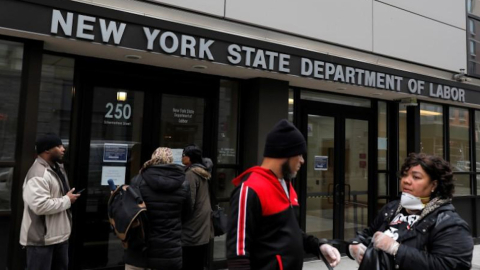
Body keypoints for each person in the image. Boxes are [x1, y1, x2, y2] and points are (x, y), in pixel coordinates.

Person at [227, 119, 341, 270]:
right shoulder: (250, 189)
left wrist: (319, 246)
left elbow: (289, 231)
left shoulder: (286, 186)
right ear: (285, 153)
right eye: (299, 154)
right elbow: (238, 255)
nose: (302, 160)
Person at [348, 153, 473, 270]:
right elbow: (368, 234)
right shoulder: (392, 209)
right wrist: (354, 245)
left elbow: (451, 265)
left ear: (434, 185)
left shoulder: (450, 223)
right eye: (405, 175)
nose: (406, 181)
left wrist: (396, 249)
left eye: (416, 177)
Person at [20, 133, 80, 270]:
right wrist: (67, 200)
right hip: (41, 240)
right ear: (47, 150)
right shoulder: (38, 174)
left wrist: (67, 198)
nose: (63, 149)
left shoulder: (57, 169)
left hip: (59, 237)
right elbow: (40, 206)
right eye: (58, 146)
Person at [124, 147, 191, 270]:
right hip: (170, 249)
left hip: (141, 249)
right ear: (171, 160)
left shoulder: (138, 180)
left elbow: (129, 213)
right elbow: (187, 214)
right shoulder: (183, 183)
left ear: (153, 158)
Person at [181, 144, 214, 270]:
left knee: (189, 260)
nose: (182, 157)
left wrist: (182, 219)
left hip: (193, 225)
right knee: (199, 260)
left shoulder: (190, 174)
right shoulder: (203, 171)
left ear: (190, 158)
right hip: (203, 222)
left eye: (184, 155)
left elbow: (189, 201)